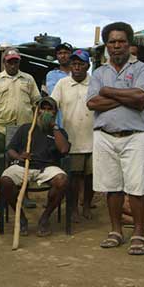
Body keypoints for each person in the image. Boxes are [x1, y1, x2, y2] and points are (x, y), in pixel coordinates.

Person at [86, 22, 144, 255]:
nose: (116, 46)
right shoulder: (99, 72)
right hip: (104, 135)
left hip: (135, 136)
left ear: (129, 43)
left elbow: (140, 99)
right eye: (112, 42)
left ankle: (138, 233)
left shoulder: (141, 68)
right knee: (111, 187)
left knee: (136, 187)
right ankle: (116, 231)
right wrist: (126, 97)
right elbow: (92, 103)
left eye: (121, 41)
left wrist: (107, 92)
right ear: (107, 45)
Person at [0, 97, 70, 237]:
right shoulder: (26, 128)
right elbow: (10, 149)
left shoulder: (59, 132)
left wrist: (54, 127)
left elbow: (63, 150)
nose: (45, 111)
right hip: (23, 165)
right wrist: (19, 156)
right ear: (37, 111)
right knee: (5, 180)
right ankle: (21, 217)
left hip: (47, 167)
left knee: (62, 180)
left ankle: (45, 217)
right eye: (42, 108)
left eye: (49, 109)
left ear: (55, 113)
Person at [0, 47, 41, 208]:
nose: (13, 65)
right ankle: (2, 197)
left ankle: (25, 196)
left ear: (19, 62)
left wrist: (34, 124)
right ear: (4, 63)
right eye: (10, 62)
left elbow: (37, 102)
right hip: (2, 128)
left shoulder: (28, 79)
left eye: (16, 61)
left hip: (24, 129)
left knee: (25, 160)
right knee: (1, 161)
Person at [51, 49, 95, 220]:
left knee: (91, 176)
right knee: (74, 177)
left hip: (93, 138)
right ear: (70, 66)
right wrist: (53, 126)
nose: (77, 67)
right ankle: (74, 208)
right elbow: (52, 105)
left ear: (88, 65)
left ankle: (86, 206)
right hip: (71, 138)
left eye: (81, 64)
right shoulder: (62, 84)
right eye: (74, 64)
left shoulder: (95, 83)